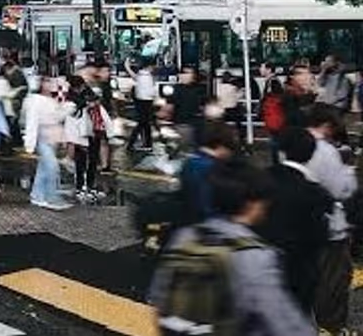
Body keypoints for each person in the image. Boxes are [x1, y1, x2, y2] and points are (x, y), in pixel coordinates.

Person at [148, 159, 315, 336]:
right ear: (251, 204)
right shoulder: (255, 255)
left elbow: (158, 295)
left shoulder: (185, 236)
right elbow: (284, 324)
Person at [258, 127, 332, 316]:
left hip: (262, 265)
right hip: (300, 270)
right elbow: (321, 236)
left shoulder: (260, 178)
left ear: (282, 150)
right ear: (311, 154)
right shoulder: (314, 192)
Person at [305, 104, 357, 332]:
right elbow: (344, 190)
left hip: (309, 226)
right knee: (334, 283)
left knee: (316, 279)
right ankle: (333, 328)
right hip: (333, 227)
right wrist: (347, 169)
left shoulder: (297, 144)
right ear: (327, 125)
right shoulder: (325, 151)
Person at [176, 121, 238, 225]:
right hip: (210, 225)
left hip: (190, 220)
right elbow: (206, 205)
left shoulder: (191, 162)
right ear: (221, 146)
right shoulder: (213, 167)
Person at [24, 76, 69, 210]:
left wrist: (66, 109)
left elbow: (56, 118)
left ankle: (37, 195)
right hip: (42, 138)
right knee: (51, 166)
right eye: (48, 82)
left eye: (52, 82)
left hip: (52, 139)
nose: (51, 85)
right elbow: (32, 122)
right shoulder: (35, 101)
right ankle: (50, 197)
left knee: (44, 168)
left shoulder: (52, 101)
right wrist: (29, 143)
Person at [126, 60, 157, 153]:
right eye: (153, 66)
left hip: (141, 102)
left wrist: (127, 66)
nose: (154, 68)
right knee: (143, 124)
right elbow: (151, 91)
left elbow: (133, 76)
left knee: (145, 124)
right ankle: (132, 144)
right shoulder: (146, 75)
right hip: (146, 102)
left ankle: (147, 144)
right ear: (149, 66)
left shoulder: (141, 75)